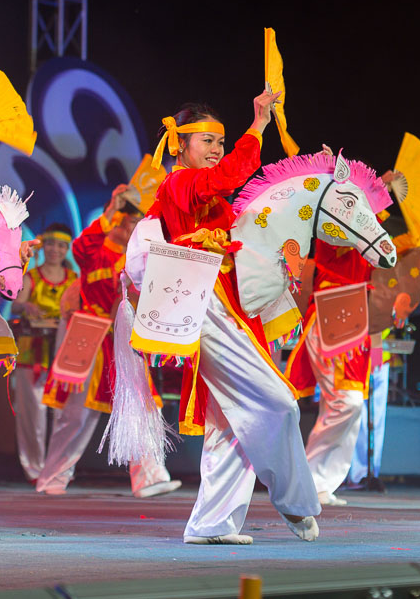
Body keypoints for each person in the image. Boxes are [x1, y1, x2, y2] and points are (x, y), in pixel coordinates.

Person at [147, 95, 320, 545]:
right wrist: (258, 124)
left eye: (221, 141)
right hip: (202, 304)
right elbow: (226, 177)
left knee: (230, 420)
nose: (217, 148)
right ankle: (295, 502)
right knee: (280, 402)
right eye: (208, 140)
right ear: (179, 145)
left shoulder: (214, 198)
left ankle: (212, 525)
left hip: (229, 306)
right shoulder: (180, 184)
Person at [37, 185, 181, 498]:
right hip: (90, 340)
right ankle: (53, 479)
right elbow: (80, 247)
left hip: (124, 344)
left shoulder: (141, 258)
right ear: (115, 221)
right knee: (75, 416)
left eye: (136, 221)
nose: (132, 225)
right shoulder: (95, 252)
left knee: (144, 405)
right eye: (127, 219)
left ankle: (149, 478)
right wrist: (110, 208)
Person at [285, 239, 380, 507]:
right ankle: (309, 480)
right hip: (332, 309)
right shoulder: (339, 213)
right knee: (345, 402)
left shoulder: (372, 222)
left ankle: (320, 483)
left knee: (351, 406)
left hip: (355, 312)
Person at [9, 222, 77, 483]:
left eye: (61, 245)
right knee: (33, 414)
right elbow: (16, 305)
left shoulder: (74, 280)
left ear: (67, 249)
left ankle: (59, 470)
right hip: (32, 351)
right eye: (50, 244)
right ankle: (35, 470)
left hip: (64, 354)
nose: (55, 250)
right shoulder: (31, 276)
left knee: (65, 414)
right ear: (43, 246)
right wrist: (27, 306)